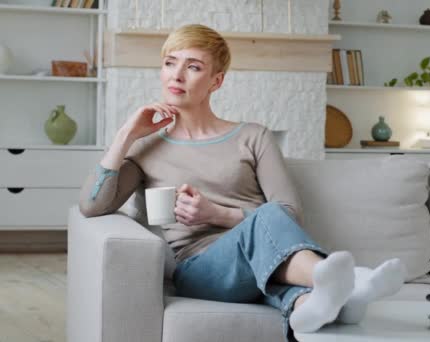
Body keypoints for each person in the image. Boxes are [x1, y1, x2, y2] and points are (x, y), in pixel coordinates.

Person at [78, 24, 407, 341]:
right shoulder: (147, 146)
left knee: (288, 263)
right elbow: (92, 206)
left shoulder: (253, 136)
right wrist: (126, 134)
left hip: (261, 263)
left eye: (193, 67)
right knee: (267, 215)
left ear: (216, 81)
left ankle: (325, 304)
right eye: (169, 63)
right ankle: (354, 281)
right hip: (198, 270)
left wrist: (217, 214)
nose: (176, 75)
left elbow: (289, 216)